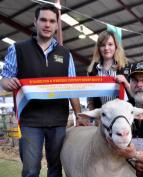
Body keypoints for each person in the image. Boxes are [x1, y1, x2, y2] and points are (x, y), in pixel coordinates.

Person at [0, 4, 81, 177]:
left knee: (55, 169)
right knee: (30, 170)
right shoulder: (18, 49)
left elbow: (73, 87)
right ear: (35, 22)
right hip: (30, 121)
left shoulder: (66, 54)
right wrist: (7, 82)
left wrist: (79, 115)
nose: (47, 24)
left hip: (58, 122)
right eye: (43, 20)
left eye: (52, 21)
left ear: (57, 25)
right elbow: (4, 79)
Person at [87, 30, 131, 110]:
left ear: (116, 46)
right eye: (103, 45)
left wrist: (126, 83)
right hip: (102, 116)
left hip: (122, 115)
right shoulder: (92, 70)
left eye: (110, 44)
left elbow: (134, 93)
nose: (106, 48)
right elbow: (90, 98)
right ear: (99, 48)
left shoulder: (126, 67)